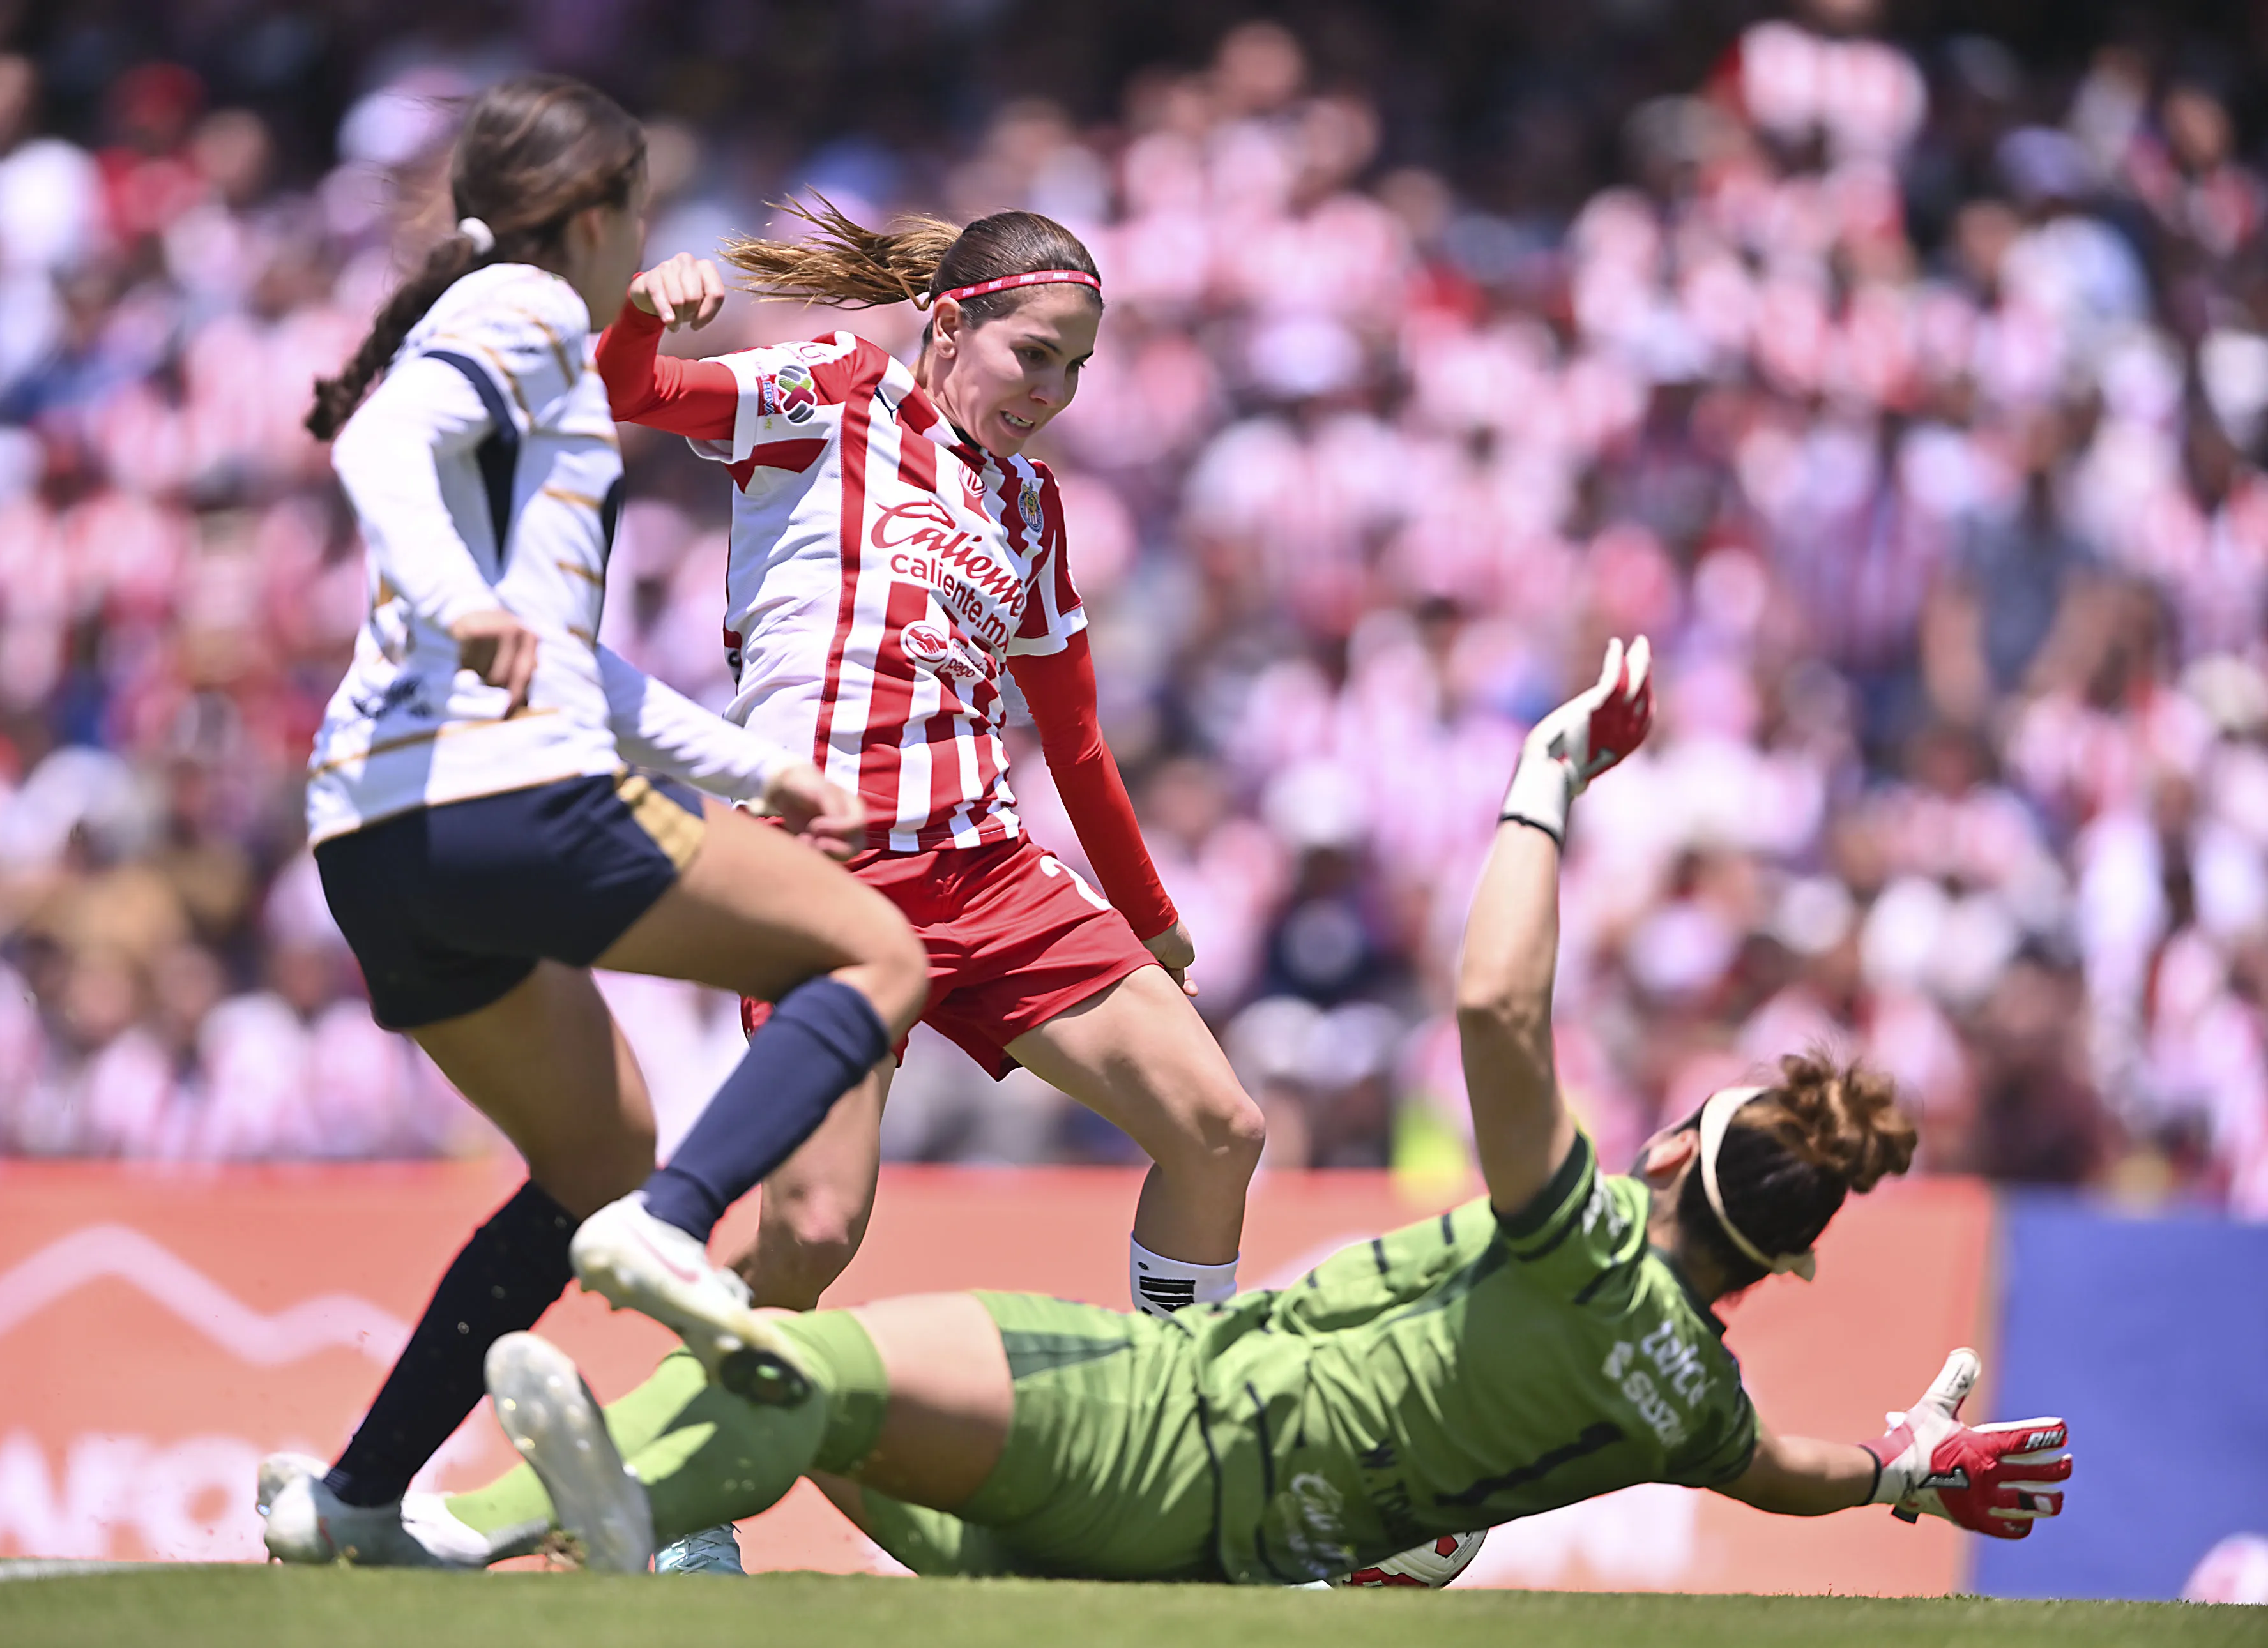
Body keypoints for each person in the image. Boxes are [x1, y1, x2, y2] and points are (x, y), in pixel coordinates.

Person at [439, 636, 2073, 1580]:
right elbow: (1776, 1466)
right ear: (1774, 1271)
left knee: (798, 1364)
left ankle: (481, 1535)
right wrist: (1892, 1472)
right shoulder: (1689, 1400)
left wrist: (1549, 777)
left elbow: (1498, 1008)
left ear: (1668, 1155)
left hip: (1159, 1433)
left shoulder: (1587, 1245)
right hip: (1207, 1560)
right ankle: (635, 1528)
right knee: (823, 1422)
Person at [255, 76, 929, 1569]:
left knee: (590, 1155)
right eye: (642, 211)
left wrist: (753, 776)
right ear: (601, 214)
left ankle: (358, 1503)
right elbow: (381, 452)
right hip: (507, 795)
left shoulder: (509, 322)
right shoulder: (530, 307)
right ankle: (677, 1227)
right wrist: (468, 604)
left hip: (373, 836)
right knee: (878, 958)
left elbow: (579, 660)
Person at [598, 201, 1264, 1320]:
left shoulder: (1033, 507)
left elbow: (1078, 739)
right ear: (950, 328)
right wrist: (637, 315)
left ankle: (1183, 1434)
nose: (1050, 393)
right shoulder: (837, 390)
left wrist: (1150, 916)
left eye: (1076, 368)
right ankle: (668, 1470)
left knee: (1220, 1128)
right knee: (813, 1232)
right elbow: (634, 393)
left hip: (987, 869)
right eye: (1033, 356)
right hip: (823, 880)